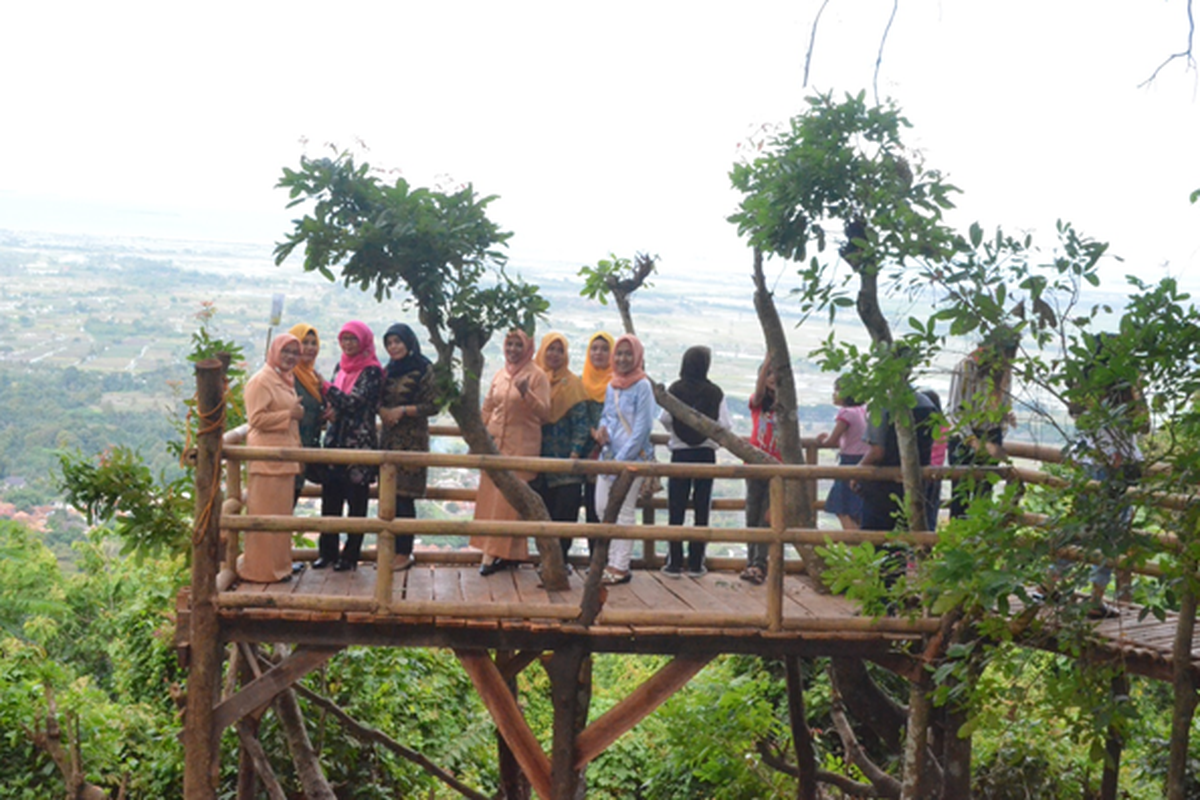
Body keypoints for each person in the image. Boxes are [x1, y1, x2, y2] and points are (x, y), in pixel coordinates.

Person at [470, 329, 552, 576]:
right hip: (495, 446)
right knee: (490, 500)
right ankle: (506, 554)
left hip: (521, 448)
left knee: (509, 504)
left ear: (527, 348)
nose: (513, 349)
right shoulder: (500, 373)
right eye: (509, 344)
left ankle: (492, 555)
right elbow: (487, 408)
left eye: (518, 345)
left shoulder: (537, 376)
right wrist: (477, 440)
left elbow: (545, 413)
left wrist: (527, 393)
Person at [315, 321, 384, 571]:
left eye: (353, 339)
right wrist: (329, 410)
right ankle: (327, 553)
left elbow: (354, 403)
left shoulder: (372, 371)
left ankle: (350, 556)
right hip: (335, 441)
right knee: (330, 501)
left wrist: (325, 387)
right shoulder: (341, 366)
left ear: (364, 341)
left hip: (358, 444)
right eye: (344, 339)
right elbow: (337, 402)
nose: (348, 344)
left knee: (356, 503)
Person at [238, 333, 304, 583]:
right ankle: (260, 570)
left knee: (281, 518)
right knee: (265, 519)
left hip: (284, 457)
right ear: (275, 351)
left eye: (294, 353)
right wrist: (289, 414)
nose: (290, 357)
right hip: (267, 457)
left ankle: (280, 566)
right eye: (285, 351)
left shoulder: (284, 379)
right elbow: (256, 419)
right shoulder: (261, 381)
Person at [660, 346, 730, 577]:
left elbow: (665, 418)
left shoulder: (675, 389)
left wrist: (678, 433)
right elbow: (724, 426)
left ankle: (674, 562)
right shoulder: (715, 392)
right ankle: (696, 562)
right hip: (705, 455)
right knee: (702, 508)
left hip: (680, 454)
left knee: (676, 508)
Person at [594, 334, 656, 585]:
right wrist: (602, 431)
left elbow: (642, 428)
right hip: (609, 456)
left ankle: (620, 566)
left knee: (625, 510)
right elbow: (607, 416)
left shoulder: (643, 386)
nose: (622, 358)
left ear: (637, 356)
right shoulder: (613, 385)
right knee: (602, 507)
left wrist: (620, 460)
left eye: (628, 353)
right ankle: (611, 561)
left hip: (631, 461)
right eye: (618, 353)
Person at [379, 323, 438, 572]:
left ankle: (404, 553)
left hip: (412, 441)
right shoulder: (387, 370)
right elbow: (377, 399)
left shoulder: (424, 368)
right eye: (389, 343)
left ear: (409, 342)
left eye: (398, 342)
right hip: (389, 440)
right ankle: (389, 551)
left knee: (405, 498)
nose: (393, 347)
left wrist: (403, 410)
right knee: (388, 497)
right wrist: (383, 412)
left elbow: (434, 405)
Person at [946, 329, 1019, 518]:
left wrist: (1006, 417)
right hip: (964, 438)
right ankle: (958, 533)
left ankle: (981, 534)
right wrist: (973, 441)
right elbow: (954, 410)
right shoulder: (966, 367)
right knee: (960, 496)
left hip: (991, 435)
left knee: (985, 493)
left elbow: (1002, 405)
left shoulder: (1005, 372)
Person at [533, 333, 591, 567]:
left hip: (567, 466)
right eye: (550, 349)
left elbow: (582, 424)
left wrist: (574, 453)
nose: (554, 354)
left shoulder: (573, 384)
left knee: (565, 516)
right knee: (542, 515)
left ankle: (561, 561)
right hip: (538, 463)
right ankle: (546, 561)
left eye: (559, 350)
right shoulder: (535, 380)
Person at [740, 356, 780, 586]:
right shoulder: (757, 404)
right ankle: (751, 563)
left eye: (776, 373)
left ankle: (759, 564)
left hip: (776, 470)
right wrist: (767, 362)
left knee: (767, 517)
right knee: (752, 514)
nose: (772, 378)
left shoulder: (787, 407)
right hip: (754, 466)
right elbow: (758, 392)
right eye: (768, 374)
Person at [816, 378, 868, 530]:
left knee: (842, 507)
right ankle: (860, 540)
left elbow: (832, 440)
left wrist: (822, 440)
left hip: (849, 462)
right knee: (856, 508)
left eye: (837, 390)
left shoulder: (846, 413)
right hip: (864, 460)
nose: (834, 394)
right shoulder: (864, 410)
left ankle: (853, 541)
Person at [580, 332, 615, 530]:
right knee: (592, 508)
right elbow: (577, 416)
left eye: (604, 349)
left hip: (614, 451)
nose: (598, 353)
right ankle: (595, 550)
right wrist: (592, 431)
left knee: (613, 508)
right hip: (587, 453)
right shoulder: (581, 382)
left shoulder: (619, 383)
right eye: (594, 349)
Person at [287, 323, 326, 502]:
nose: (310, 348)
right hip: (289, 452)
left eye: (313, 343)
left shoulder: (313, 377)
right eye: (305, 343)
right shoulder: (287, 376)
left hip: (307, 449)